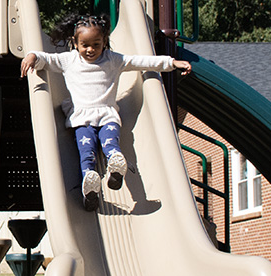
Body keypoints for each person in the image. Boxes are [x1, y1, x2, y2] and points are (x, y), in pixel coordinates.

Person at [20, 13, 192, 211]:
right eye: (85, 45)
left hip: (107, 115)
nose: (91, 49)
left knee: (111, 144)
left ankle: (114, 167)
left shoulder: (113, 60)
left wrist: (172, 63)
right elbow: (47, 59)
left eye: (96, 44)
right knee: (87, 152)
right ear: (75, 43)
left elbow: (142, 61)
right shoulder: (69, 60)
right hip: (82, 118)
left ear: (104, 42)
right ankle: (90, 183)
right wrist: (33, 56)